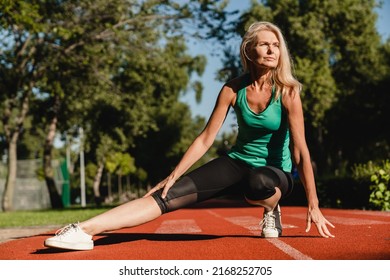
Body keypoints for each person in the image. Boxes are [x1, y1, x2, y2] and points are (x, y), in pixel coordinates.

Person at [44, 21, 335, 251]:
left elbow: (300, 151)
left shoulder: (288, 92)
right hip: (237, 162)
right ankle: (84, 230)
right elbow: (205, 139)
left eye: (276, 45)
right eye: (264, 45)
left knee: (256, 181)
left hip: (275, 173)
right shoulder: (232, 90)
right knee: (165, 196)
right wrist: (173, 175)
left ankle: (271, 207)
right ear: (249, 51)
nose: (272, 51)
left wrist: (314, 204)